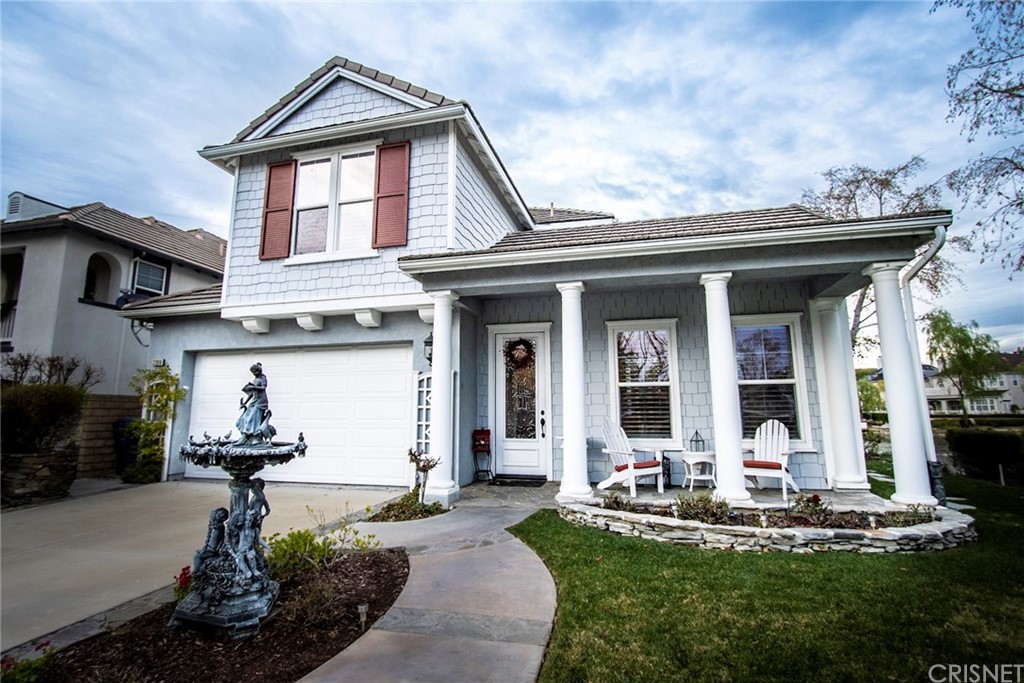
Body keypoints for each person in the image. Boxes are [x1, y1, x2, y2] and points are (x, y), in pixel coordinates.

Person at [235, 363, 276, 445]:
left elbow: (263, 388)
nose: (253, 374)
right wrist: (245, 403)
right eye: (252, 372)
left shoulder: (263, 378)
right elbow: (251, 393)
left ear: (259, 370)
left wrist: (253, 387)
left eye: (254, 372)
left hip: (261, 401)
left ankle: (247, 437)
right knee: (244, 418)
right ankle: (247, 437)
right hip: (254, 400)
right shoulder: (255, 379)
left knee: (252, 419)